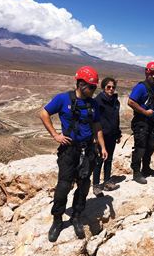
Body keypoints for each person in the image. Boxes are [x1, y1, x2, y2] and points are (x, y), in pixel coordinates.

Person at [39, 66, 107, 243]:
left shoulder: (93, 104)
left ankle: (76, 216)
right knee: (63, 186)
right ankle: (57, 220)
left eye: (94, 88)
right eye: (90, 87)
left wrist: (102, 147)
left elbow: (97, 126)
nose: (93, 91)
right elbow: (44, 112)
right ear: (80, 83)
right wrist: (55, 134)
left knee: (84, 185)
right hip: (69, 150)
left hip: (88, 150)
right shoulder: (63, 99)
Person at [128, 61, 154, 184]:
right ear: (146, 73)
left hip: (151, 123)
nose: (153, 76)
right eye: (150, 74)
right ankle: (136, 172)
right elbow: (131, 102)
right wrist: (144, 112)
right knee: (140, 147)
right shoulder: (141, 87)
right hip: (141, 122)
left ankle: (146, 169)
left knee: (150, 146)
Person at [92, 77, 122, 196]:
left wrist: (118, 133)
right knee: (99, 160)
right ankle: (96, 185)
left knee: (109, 159)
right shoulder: (98, 102)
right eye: (108, 87)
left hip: (112, 135)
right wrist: (94, 137)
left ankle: (107, 182)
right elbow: (93, 121)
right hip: (101, 135)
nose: (111, 89)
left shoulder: (116, 101)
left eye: (113, 87)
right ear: (104, 87)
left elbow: (116, 119)